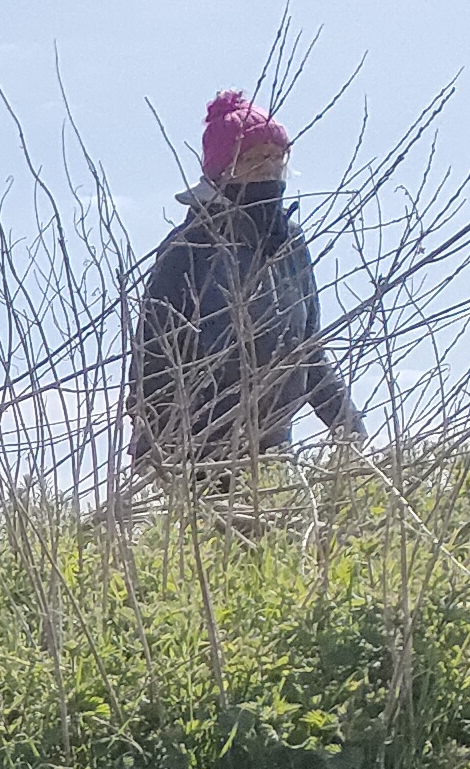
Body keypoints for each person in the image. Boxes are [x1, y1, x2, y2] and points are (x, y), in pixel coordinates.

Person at [126, 89, 363, 486]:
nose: (269, 170)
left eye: (277, 158)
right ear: (223, 170)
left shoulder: (288, 245)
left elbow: (306, 350)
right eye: (254, 160)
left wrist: (348, 428)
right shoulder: (190, 248)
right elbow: (152, 362)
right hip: (196, 455)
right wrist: (159, 457)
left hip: (270, 453)